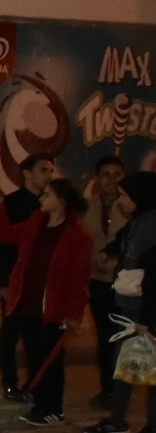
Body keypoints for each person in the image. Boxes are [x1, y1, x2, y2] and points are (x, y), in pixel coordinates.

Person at [0, 177, 92, 427]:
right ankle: (40, 404)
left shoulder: (77, 234)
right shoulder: (37, 221)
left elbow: (78, 277)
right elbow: (8, 234)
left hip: (54, 307)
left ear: (61, 201)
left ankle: (53, 408)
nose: (41, 199)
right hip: (28, 302)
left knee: (51, 360)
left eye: (47, 195)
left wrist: (74, 312)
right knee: (35, 355)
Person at [84, 173, 156, 433]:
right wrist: (111, 249)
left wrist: (148, 320)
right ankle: (117, 420)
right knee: (125, 366)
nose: (120, 201)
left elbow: (153, 276)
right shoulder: (139, 221)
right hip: (131, 310)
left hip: (142, 314)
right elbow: (124, 240)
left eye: (125, 196)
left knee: (149, 370)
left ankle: (151, 427)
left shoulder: (151, 224)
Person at [0, 154, 55, 400]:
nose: (49, 176)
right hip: (15, 278)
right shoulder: (13, 203)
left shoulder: (51, 203)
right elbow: (3, 246)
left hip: (40, 281)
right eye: (43, 170)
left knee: (36, 335)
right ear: (27, 173)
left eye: (51, 170)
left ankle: (34, 382)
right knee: (10, 333)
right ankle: (10, 383)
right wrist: (5, 281)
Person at [84, 155, 133, 408]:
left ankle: (124, 390)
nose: (111, 180)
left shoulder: (130, 208)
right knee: (105, 337)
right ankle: (108, 388)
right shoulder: (87, 207)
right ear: (97, 178)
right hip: (97, 281)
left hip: (126, 282)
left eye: (117, 175)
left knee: (125, 337)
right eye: (106, 174)